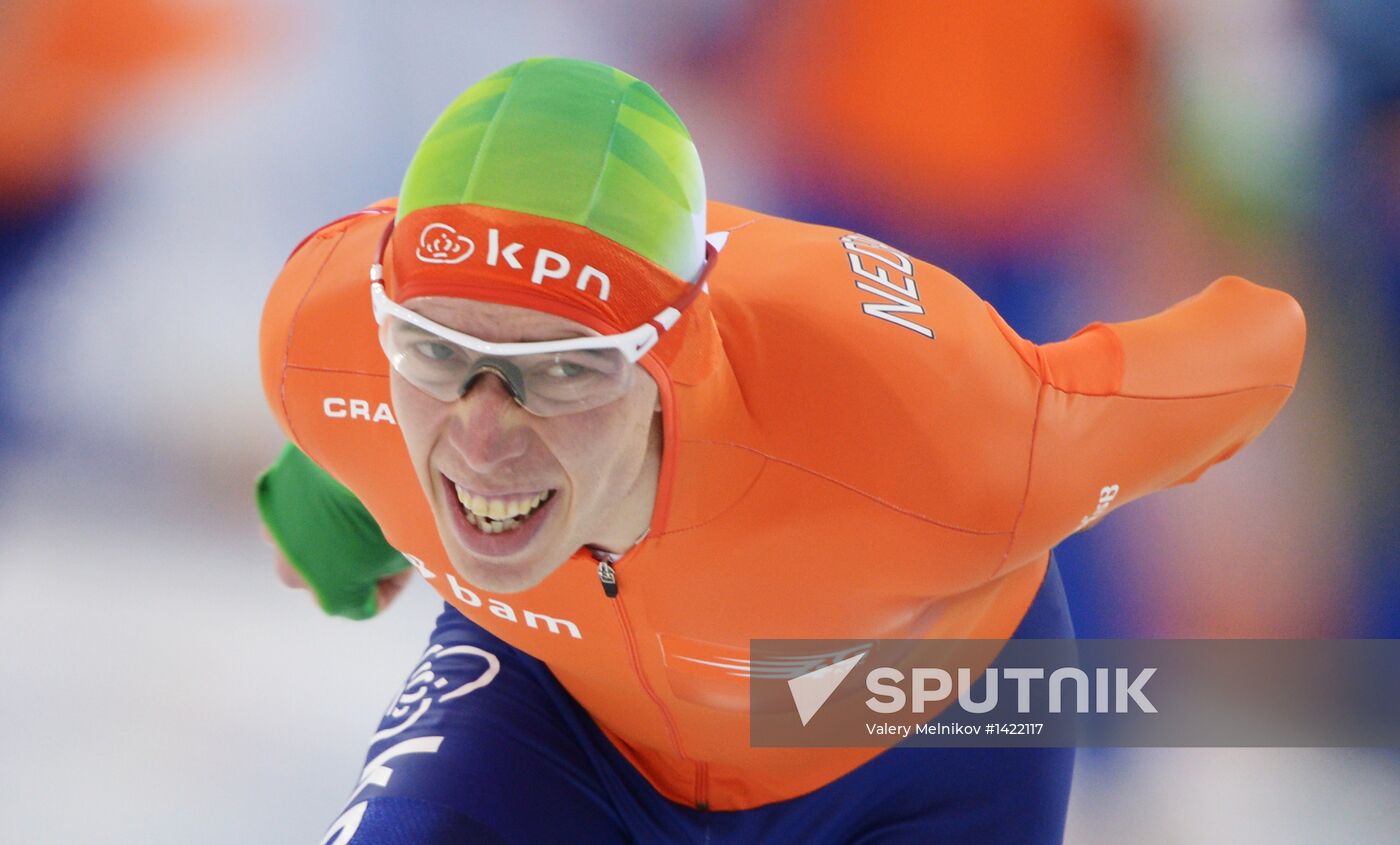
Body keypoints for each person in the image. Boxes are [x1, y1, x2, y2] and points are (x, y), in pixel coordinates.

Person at [257, 58, 1306, 844]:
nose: (482, 437)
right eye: (437, 353)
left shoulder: (938, 442)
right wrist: (336, 517)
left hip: (905, 734)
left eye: (567, 369)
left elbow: (1222, 363)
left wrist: (1270, 292)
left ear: (666, 359)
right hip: (561, 709)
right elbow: (358, 416)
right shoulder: (325, 334)